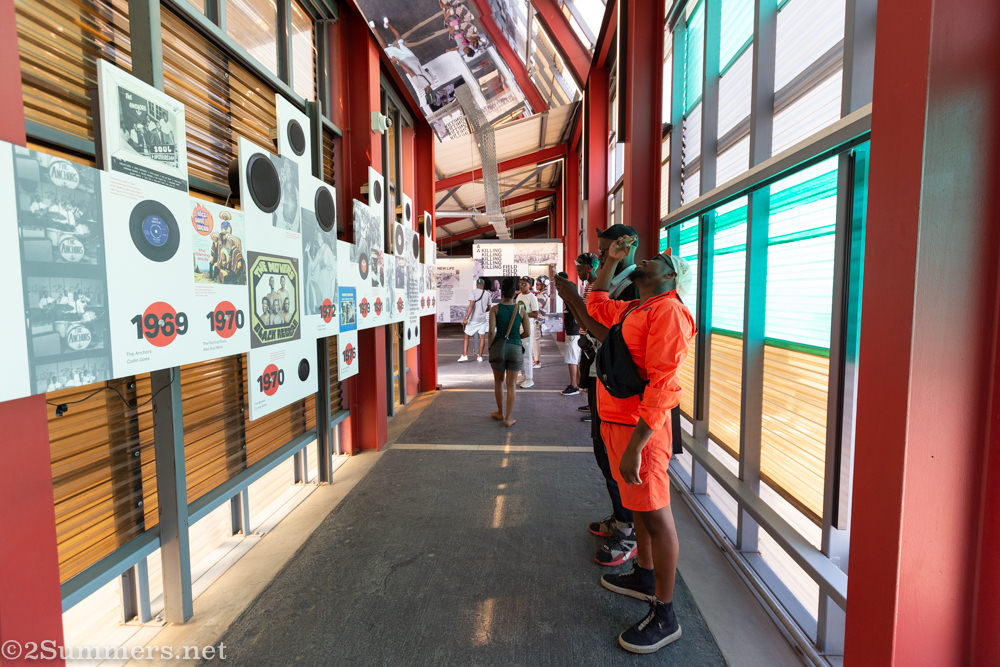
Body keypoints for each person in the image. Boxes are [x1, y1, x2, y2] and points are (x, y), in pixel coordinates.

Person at [587, 235, 695, 654]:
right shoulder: (639, 306)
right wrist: (610, 261)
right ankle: (644, 575)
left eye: (659, 259)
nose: (647, 258)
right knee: (639, 507)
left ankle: (666, 614)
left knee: (656, 514)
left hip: (640, 431)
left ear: (670, 277)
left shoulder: (669, 312)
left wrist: (637, 445)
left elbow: (665, 385)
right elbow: (596, 305)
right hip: (621, 423)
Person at [556, 225, 641, 567]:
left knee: (618, 458)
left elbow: (610, 336)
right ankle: (621, 517)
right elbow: (590, 320)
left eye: (608, 251)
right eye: (600, 252)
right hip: (600, 377)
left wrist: (574, 299)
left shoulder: (635, 286)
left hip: (620, 388)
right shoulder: (609, 285)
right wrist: (574, 299)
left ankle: (629, 529)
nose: (602, 257)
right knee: (603, 453)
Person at [488, 277, 530, 427]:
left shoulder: (495, 309)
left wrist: (489, 347)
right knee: (511, 385)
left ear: (502, 294)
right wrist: (517, 338)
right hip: (516, 349)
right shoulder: (520, 309)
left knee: (498, 382)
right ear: (514, 294)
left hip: (499, 347)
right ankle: (508, 418)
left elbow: (491, 332)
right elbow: (528, 332)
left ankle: (500, 412)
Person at [557, 271, 581, 396]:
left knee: (572, 359)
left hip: (574, 331)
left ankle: (574, 386)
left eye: (558, 282)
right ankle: (577, 383)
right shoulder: (568, 295)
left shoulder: (570, 294)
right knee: (573, 359)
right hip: (573, 331)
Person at [515, 276, 539, 388]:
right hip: (518, 327)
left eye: (524, 284)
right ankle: (524, 376)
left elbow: (535, 313)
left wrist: (523, 315)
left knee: (528, 354)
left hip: (527, 327)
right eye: (521, 283)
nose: (522, 285)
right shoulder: (519, 296)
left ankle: (530, 379)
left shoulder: (532, 297)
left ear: (530, 285)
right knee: (520, 353)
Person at [459, 277, 491, 362]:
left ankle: (465, 355)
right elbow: (489, 307)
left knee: (466, 336)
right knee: (482, 337)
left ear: (476, 285)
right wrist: (482, 311)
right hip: (483, 319)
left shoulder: (473, 292)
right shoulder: (487, 294)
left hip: (474, 319)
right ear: (483, 285)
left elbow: (471, 305)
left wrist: (466, 318)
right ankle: (480, 357)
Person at [533, 275, 549, 367]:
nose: (536, 286)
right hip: (535, 320)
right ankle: (535, 360)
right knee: (534, 341)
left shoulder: (543, 295)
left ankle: (537, 361)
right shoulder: (540, 294)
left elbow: (536, 307)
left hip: (536, 320)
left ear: (544, 285)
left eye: (538, 284)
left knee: (535, 341)